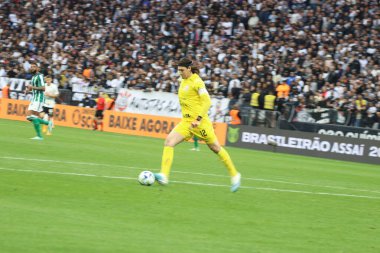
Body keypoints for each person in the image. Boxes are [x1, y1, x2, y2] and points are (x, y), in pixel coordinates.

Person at [154, 58, 241, 192]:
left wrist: (198, 119)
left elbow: (207, 102)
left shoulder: (197, 82)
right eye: (178, 70)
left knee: (215, 148)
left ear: (189, 68)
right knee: (169, 142)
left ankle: (235, 175)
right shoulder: (182, 80)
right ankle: (164, 175)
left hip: (200, 123)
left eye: (182, 70)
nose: (180, 73)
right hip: (186, 123)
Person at [25, 63, 52, 140]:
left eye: (34, 67)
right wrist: (28, 90)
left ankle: (39, 136)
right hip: (34, 98)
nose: (32, 68)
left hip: (39, 99)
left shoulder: (40, 76)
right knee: (29, 117)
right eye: (31, 67)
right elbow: (32, 88)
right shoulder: (33, 77)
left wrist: (32, 87)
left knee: (32, 117)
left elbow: (43, 88)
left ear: (37, 68)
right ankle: (48, 123)